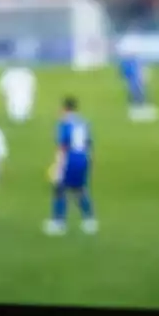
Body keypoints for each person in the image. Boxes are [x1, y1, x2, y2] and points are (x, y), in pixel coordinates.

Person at [47, 95, 98, 236]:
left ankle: (58, 222)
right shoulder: (84, 122)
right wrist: (92, 162)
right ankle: (89, 220)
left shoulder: (64, 123)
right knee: (79, 189)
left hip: (70, 158)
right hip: (83, 158)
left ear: (64, 108)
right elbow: (89, 143)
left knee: (60, 189)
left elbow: (62, 145)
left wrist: (57, 164)